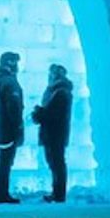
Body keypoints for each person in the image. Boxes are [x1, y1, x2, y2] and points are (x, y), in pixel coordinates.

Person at [32, 63, 74, 203]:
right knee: (55, 163)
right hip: (53, 133)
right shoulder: (56, 91)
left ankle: (59, 194)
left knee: (57, 163)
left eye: (52, 73)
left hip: (55, 133)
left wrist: (38, 113)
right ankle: (57, 192)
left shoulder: (60, 92)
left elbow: (53, 114)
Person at [0, 51, 24, 204]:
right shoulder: (9, 82)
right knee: (5, 161)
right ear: (11, 63)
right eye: (16, 62)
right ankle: (2, 195)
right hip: (6, 127)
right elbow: (14, 108)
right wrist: (18, 127)